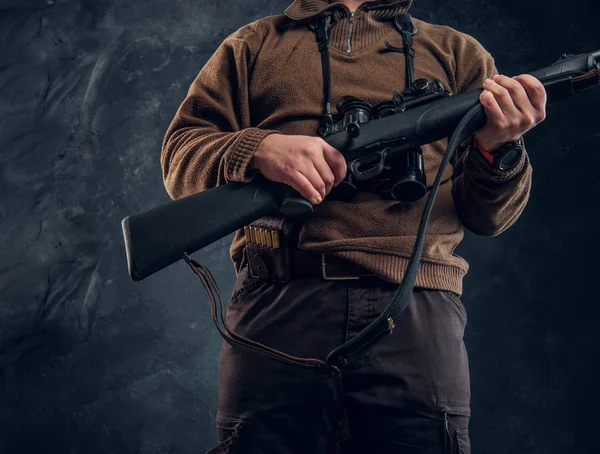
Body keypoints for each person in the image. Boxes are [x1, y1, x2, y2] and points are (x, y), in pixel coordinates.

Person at [160, 0, 546, 452]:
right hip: (279, 305)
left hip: (417, 315)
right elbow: (180, 156)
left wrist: (499, 148)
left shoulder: (458, 54)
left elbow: (490, 216)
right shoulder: (252, 46)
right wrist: (260, 148)